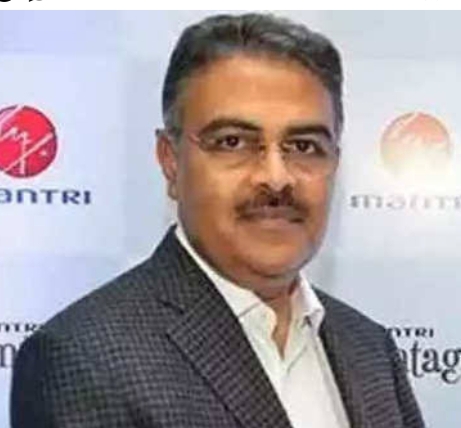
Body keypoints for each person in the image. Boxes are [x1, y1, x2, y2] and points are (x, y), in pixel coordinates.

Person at [10, 13, 425, 428]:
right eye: (233, 142)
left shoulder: (370, 349)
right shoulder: (84, 359)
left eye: (303, 146)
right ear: (170, 161)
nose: (276, 177)